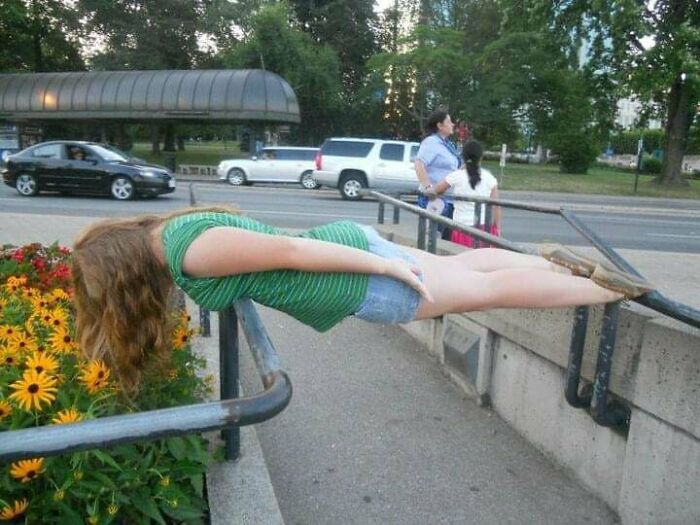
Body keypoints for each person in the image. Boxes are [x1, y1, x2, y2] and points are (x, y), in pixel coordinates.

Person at [71, 206, 653, 392]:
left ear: (122, 272)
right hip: (352, 257)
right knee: (471, 267)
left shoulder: (187, 251)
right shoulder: (170, 231)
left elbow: (289, 254)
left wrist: (386, 264)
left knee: (484, 290)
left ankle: (601, 289)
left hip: (356, 278)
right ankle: (550, 263)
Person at [432, 139, 500, 248]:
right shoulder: (490, 178)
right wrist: (497, 228)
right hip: (484, 230)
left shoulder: (457, 175)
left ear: (463, 157)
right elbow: (496, 206)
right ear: (481, 157)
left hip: (462, 228)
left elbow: (436, 190)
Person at [415, 110, 463, 240]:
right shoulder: (431, 142)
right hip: (437, 201)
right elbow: (419, 164)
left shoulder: (447, 145)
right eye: (449, 122)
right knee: (433, 240)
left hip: (450, 200)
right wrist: (428, 187)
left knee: (447, 240)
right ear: (440, 126)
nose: (452, 124)